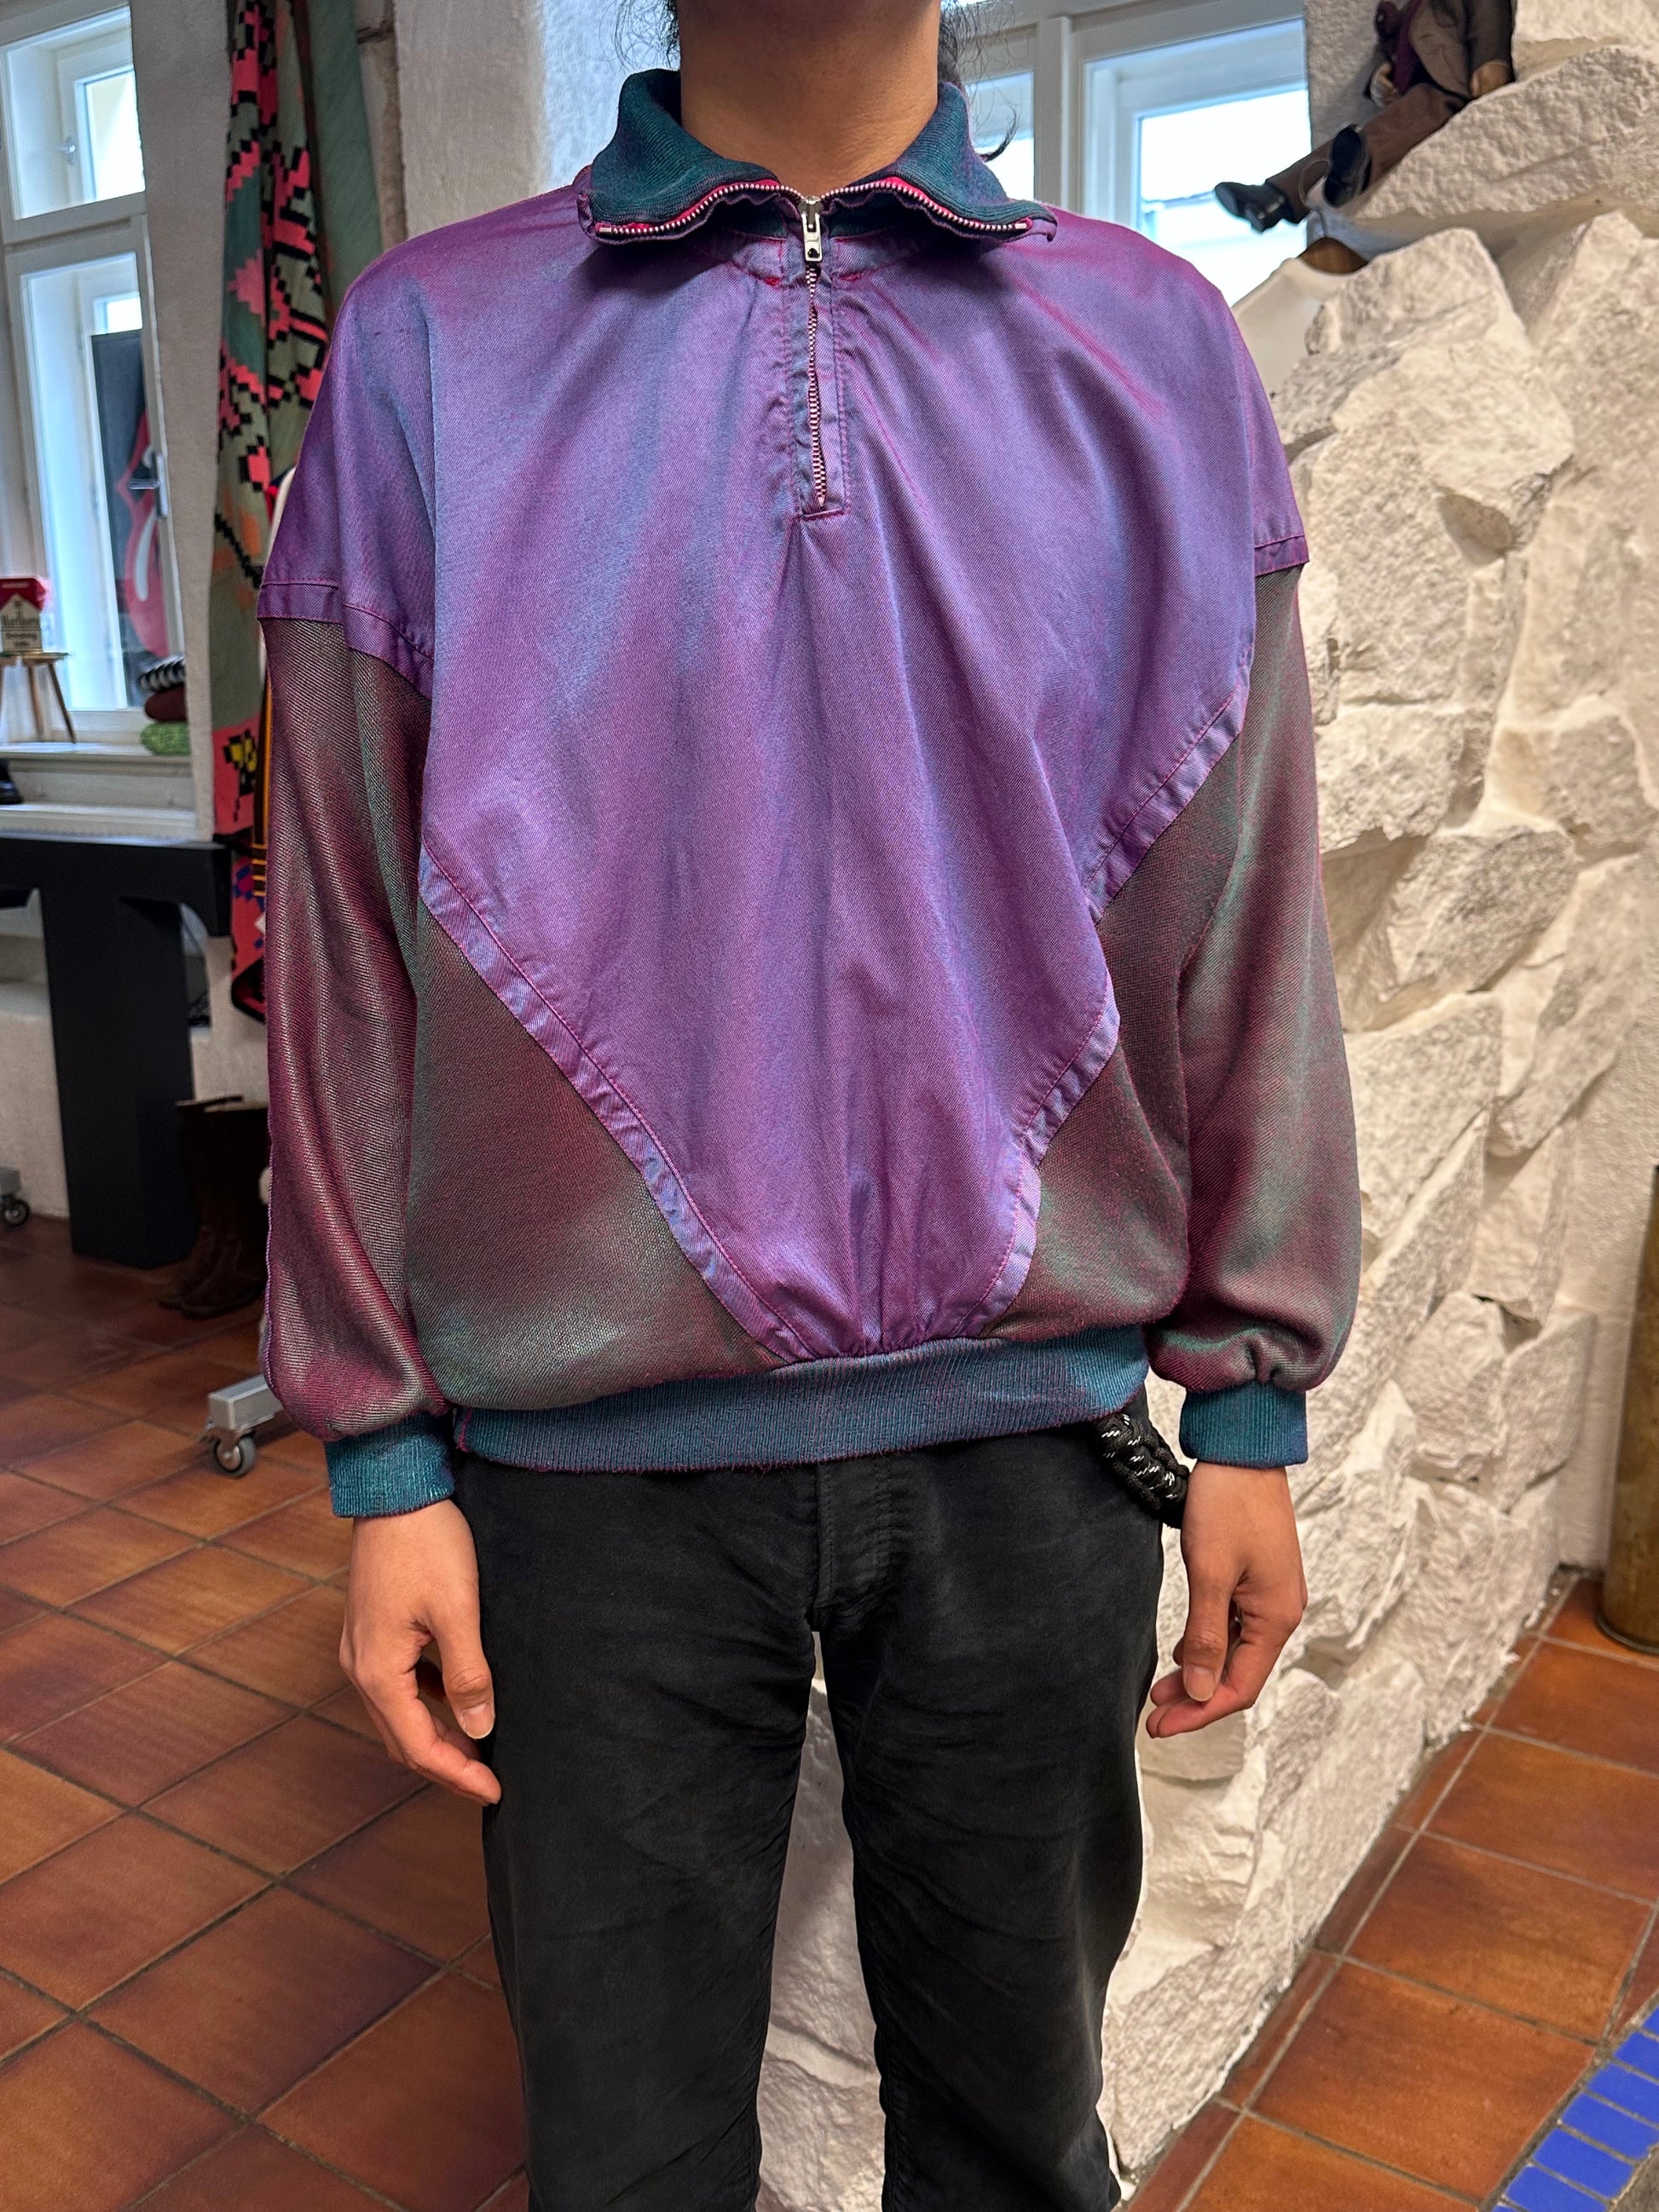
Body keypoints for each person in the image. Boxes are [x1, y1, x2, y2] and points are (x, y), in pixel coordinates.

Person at [257, 1, 1361, 2204]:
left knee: (1017, 2143)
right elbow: (347, 936)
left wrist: (1247, 1397)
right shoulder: (426, 353)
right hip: (582, 1481)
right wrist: (379, 1454)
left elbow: (1241, 900)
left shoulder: (1152, 352)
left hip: (1030, 1459)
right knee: (625, 2160)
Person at [1216, 0, 1515, 232]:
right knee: (1357, 138)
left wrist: (1491, 60)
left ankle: (1348, 176)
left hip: (1449, 88)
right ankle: (1276, 197)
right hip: (1415, 93)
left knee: (1396, 126)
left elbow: (1489, 14)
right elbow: (1390, 50)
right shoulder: (1406, 11)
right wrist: (1378, 78)